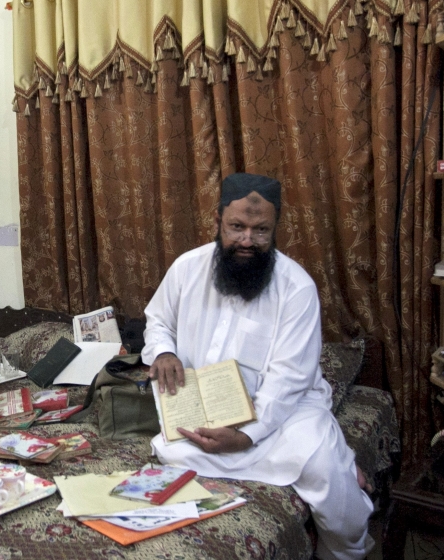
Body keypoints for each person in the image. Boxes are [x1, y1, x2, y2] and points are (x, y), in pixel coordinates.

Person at [143, 173, 373, 560]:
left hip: (286, 412)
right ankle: (338, 460)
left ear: (275, 227)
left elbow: (290, 379)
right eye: (237, 227)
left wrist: (246, 437)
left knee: (325, 473)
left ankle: (348, 547)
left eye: (260, 230)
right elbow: (158, 321)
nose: (247, 240)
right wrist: (164, 352)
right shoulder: (187, 268)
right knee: (172, 453)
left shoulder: (296, 287)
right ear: (218, 221)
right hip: (208, 406)